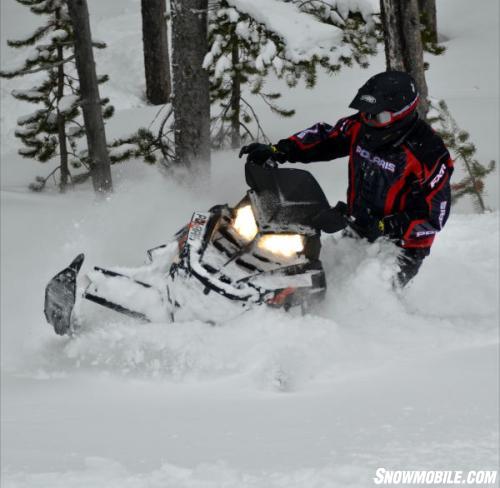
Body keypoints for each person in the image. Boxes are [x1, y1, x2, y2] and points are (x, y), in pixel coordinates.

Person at [239, 71, 454, 287]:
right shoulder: (361, 126)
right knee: (327, 280)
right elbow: (325, 139)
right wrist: (279, 150)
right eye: (366, 112)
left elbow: (434, 218)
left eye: (378, 116)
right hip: (358, 225)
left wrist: (385, 226)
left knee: (364, 294)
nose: (369, 119)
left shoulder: (427, 154)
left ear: (401, 114)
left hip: (401, 245)